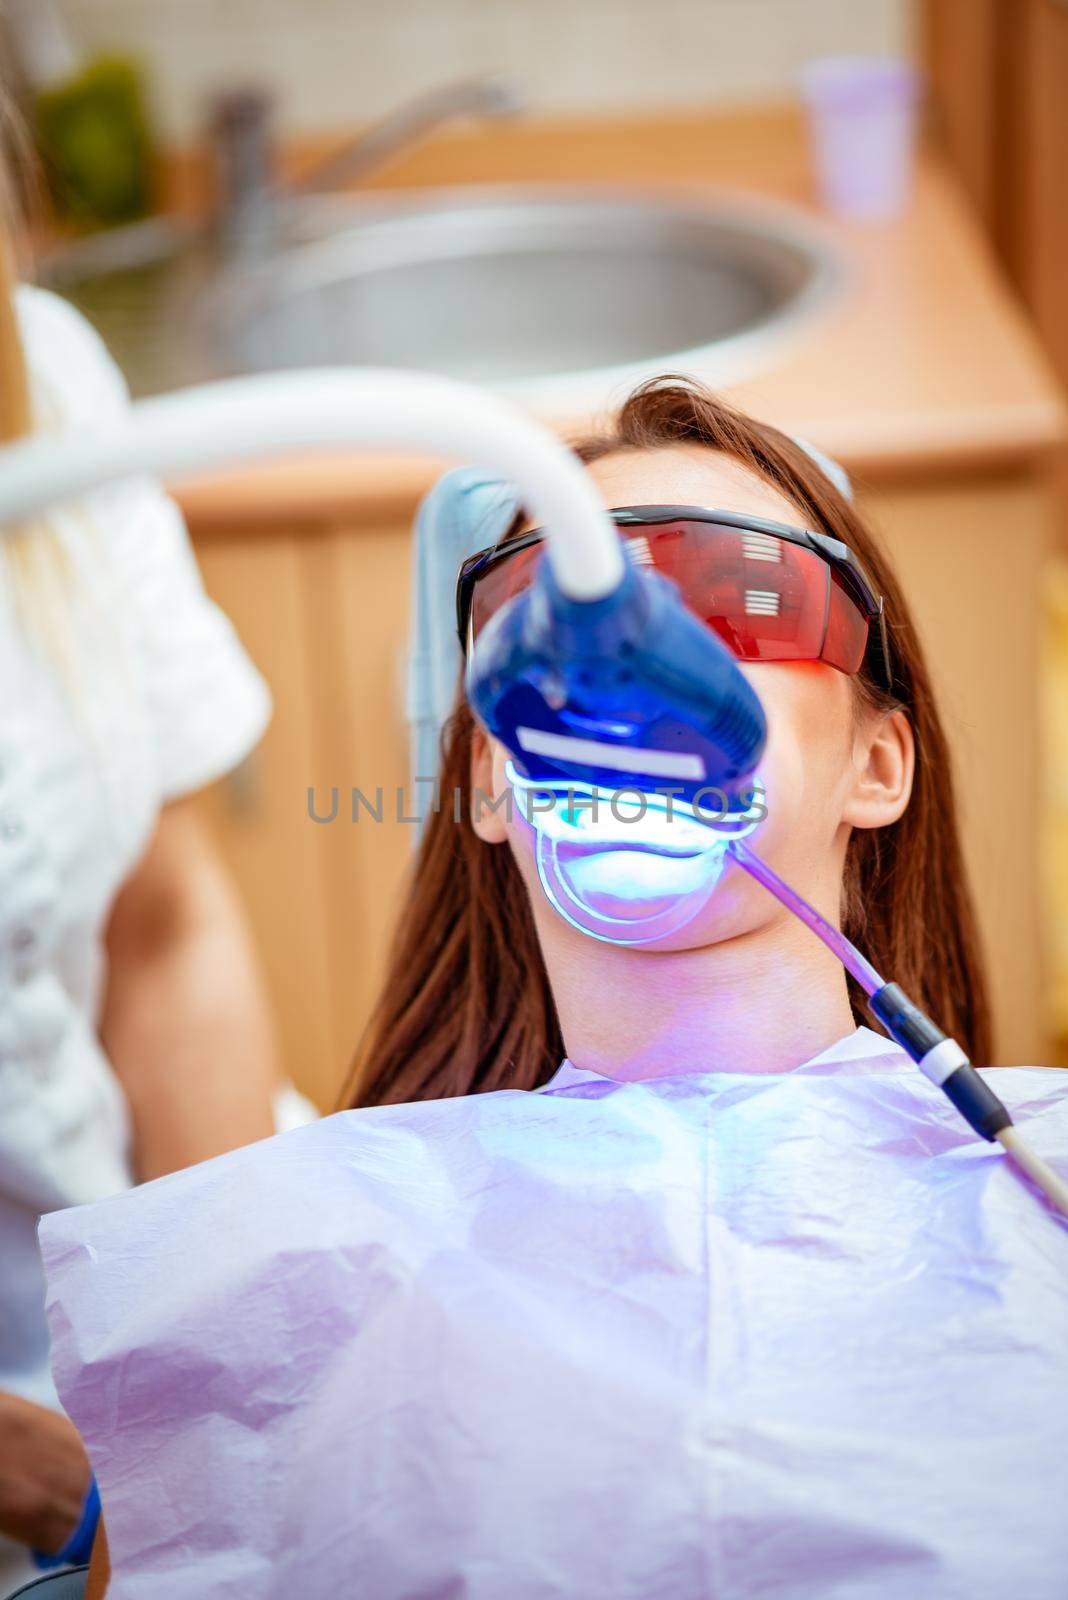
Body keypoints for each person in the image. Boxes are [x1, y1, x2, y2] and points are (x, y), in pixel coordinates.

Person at [40, 381, 1068, 1600]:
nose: (633, 665)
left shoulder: (1039, 1190)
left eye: (737, 595)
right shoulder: (277, 1272)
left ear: (877, 763)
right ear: (488, 778)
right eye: (559, 613)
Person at [0, 151, 315, 1593]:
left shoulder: (38, 373)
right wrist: (68, 1492)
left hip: (139, 1308)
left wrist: (213, 1381)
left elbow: (164, 919)